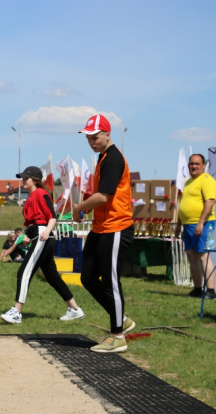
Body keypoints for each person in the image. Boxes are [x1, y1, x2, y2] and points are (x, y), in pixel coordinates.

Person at [72, 114, 136, 353]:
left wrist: (79, 207)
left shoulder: (114, 159)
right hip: (101, 227)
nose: (91, 141)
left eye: (95, 137)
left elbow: (104, 196)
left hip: (117, 227)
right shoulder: (102, 157)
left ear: (107, 134)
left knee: (111, 281)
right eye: (88, 137)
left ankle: (117, 336)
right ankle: (122, 319)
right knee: (87, 277)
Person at [0, 166, 84, 325]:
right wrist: (26, 234)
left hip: (43, 235)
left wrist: (46, 232)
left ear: (35, 180)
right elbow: (32, 221)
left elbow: (52, 216)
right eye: (23, 178)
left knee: (24, 272)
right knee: (52, 277)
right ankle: (75, 309)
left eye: (26, 178)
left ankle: (16, 312)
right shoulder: (32, 196)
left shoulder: (40, 193)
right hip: (37, 234)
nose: (23, 180)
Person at [175, 154, 216, 300]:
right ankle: (197, 289)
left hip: (203, 224)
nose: (194, 166)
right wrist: (179, 225)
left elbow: (210, 202)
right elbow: (183, 205)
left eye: (197, 164)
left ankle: (211, 291)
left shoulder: (206, 180)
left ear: (203, 166)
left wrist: (201, 223)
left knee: (203, 256)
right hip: (187, 225)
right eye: (191, 163)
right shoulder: (188, 182)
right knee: (192, 256)